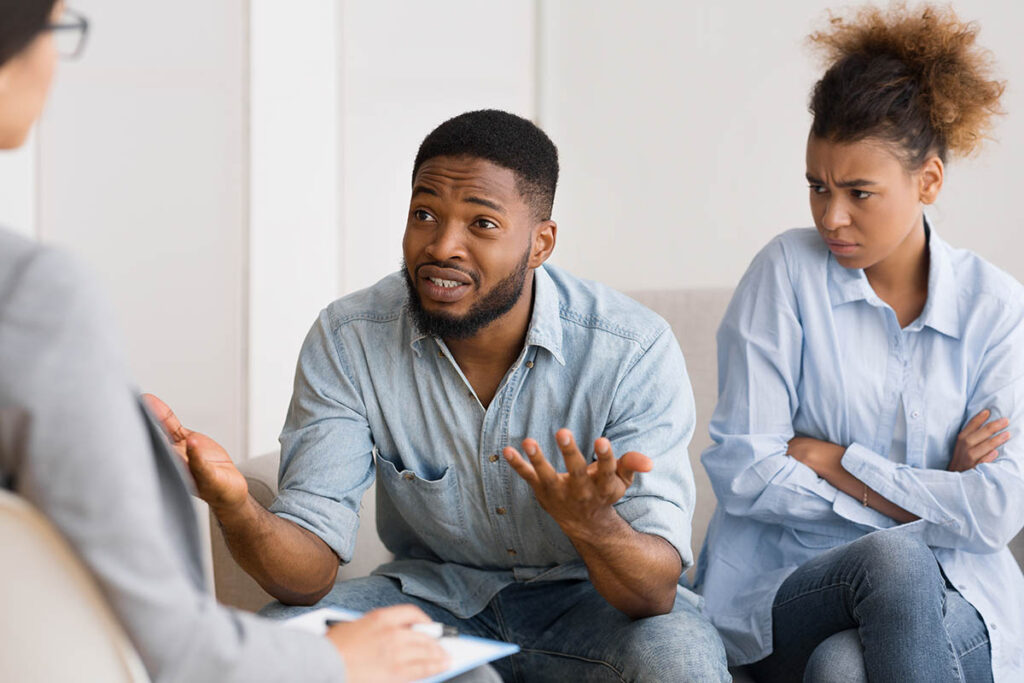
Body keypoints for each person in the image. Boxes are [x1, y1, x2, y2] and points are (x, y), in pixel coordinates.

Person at [153, 108, 730, 682]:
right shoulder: (350, 338)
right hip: (431, 602)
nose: (442, 246)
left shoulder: (632, 348)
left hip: (594, 607)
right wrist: (234, 504)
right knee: (283, 642)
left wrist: (593, 524)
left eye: (482, 224)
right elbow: (306, 578)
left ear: (540, 244)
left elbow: (653, 593)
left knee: (676, 660)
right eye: (424, 214)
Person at [0, 2, 473, 681]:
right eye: (52, 29)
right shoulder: (33, 294)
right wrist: (336, 660)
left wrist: (102, 420)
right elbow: (176, 643)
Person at [696, 5, 1023, 682]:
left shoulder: (996, 308)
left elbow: (993, 511)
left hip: (955, 592)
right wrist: (931, 496)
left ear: (928, 180)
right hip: (790, 580)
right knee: (896, 556)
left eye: (858, 192)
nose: (830, 216)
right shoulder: (785, 273)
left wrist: (835, 459)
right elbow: (747, 468)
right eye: (817, 186)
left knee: (843, 667)